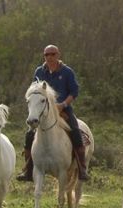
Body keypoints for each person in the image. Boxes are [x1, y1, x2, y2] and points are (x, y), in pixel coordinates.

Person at [17, 45, 89, 182]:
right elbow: (34, 91)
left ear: (58, 55)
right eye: (47, 55)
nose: (49, 57)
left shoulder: (67, 72)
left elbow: (74, 92)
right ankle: (28, 170)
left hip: (63, 109)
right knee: (29, 135)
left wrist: (63, 104)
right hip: (42, 111)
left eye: (52, 54)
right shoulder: (39, 71)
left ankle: (82, 168)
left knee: (75, 131)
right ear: (44, 56)